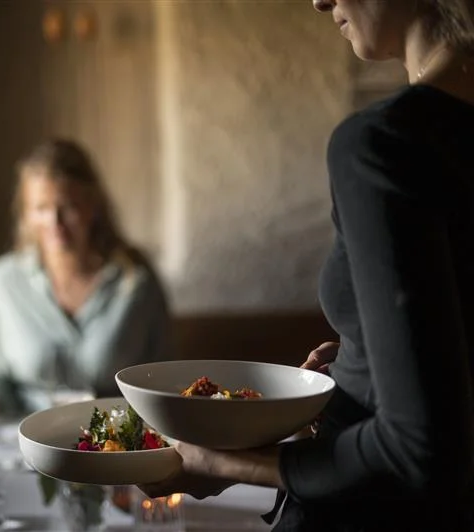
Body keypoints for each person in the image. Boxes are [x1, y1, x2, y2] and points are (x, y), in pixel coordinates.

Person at [140, 1, 474, 530]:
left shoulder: (381, 145)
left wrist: (227, 462)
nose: (320, 1)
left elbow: (421, 448)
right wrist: (365, 360)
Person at [0, 139, 171, 419]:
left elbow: (162, 381)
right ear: (26, 214)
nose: (55, 222)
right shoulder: (2, 283)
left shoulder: (136, 283)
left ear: (92, 206)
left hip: (115, 443)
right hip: (23, 441)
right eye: (41, 208)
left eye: (67, 207)